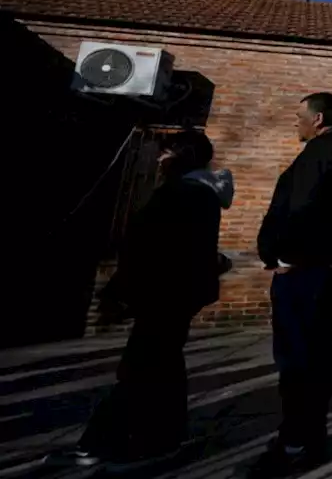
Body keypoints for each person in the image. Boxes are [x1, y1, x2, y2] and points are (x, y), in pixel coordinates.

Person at [49, 130, 234, 470]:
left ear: (184, 156)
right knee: (163, 366)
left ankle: (102, 443)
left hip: (167, 294)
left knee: (140, 369)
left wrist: (121, 293)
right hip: (176, 293)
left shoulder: (185, 194)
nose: (161, 159)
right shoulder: (197, 194)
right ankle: (164, 437)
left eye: (167, 153)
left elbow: (154, 249)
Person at [252, 93, 332, 477]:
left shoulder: (321, 155)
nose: (296, 123)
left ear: (318, 119)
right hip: (327, 266)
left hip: (306, 270)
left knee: (299, 359)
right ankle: (308, 437)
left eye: (299, 116)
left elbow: (302, 211)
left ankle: (296, 442)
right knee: (314, 352)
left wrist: (284, 256)